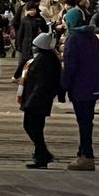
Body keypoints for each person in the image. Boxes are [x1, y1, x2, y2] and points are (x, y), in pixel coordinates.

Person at [61, 14, 99, 171]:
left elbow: (70, 66)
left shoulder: (73, 39)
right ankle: (82, 153)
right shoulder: (93, 37)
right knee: (87, 121)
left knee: (84, 123)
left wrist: (63, 86)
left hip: (80, 87)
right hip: (93, 85)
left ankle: (87, 156)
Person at [17, 32, 65, 169]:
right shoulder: (43, 58)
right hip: (35, 99)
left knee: (32, 127)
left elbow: (42, 83)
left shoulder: (45, 61)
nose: (33, 49)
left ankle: (43, 154)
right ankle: (41, 155)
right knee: (34, 127)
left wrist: (31, 100)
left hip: (37, 100)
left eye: (35, 46)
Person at [13, 2, 48, 81]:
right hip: (26, 44)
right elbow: (20, 33)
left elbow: (45, 29)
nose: (32, 11)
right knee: (24, 60)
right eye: (30, 10)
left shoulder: (40, 19)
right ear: (27, 11)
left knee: (36, 61)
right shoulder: (25, 20)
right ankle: (16, 76)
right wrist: (18, 44)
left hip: (37, 43)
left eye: (34, 9)